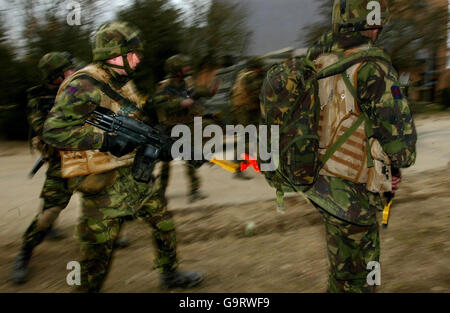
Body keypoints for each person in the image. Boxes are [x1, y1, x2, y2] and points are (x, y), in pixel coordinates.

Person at [42, 21, 203, 292]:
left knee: (162, 221)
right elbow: (54, 131)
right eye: (133, 54)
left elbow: (139, 124)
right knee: (96, 256)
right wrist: (105, 139)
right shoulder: (83, 85)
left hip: (132, 176)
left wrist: (170, 147)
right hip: (101, 183)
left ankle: (170, 274)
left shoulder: (124, 83)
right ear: (114, 54)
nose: (138, 59)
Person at [303, 0, 417, 292]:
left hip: (321, 182)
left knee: (341, 269)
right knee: (364, 277)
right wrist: (397, 165)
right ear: (368, 24)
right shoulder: (373, 67)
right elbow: (401, 145)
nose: (379, 30)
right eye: (377, 24)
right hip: (355, 193)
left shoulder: (317, 61)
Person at [11, 52, 76, 285]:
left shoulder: (79, 89)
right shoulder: (38, 99)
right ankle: (24, 255)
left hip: (89, 158)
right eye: (67, 70)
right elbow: (44, 129)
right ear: (55, 76)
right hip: (62, 161)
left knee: (105, 199)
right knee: (49, 212)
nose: (73, 72)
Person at [152, 54, 217, 202]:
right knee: (166, 161)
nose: (187, 68)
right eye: (184, 67)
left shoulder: (187, 83)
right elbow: (159, 103)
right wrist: (179, 103)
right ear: (175, 69)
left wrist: (210, 92)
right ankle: (160, 192)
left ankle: (194, 190)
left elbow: (198, 92)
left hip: (187, 125)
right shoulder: (164, 86)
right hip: (170, 127)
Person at [229, 57, 266, 180]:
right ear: (256, 68)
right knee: (247, 139)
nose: (261, 70)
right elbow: (257, 93)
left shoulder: (242, 74)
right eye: (260, 68)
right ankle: (238, 168)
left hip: (243, 109)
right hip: (246, 110)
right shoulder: (250, 76)